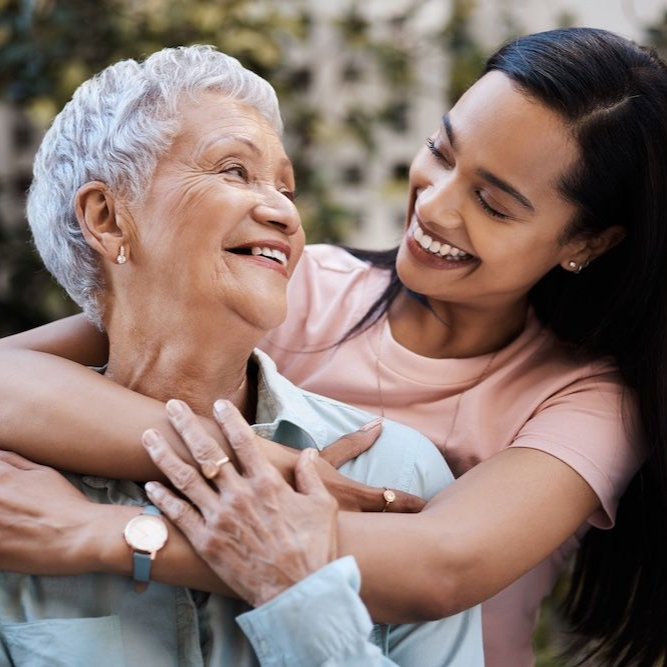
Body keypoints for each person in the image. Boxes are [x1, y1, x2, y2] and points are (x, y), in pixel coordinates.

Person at [1, 26, 666, 667]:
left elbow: (438, 565)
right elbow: (14, 377)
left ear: (585, 242)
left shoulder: (587, 399)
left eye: (491, 203)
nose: (434, 206)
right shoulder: (294, 286)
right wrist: (280, 465)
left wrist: (112, 537)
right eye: (440, 149)